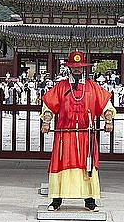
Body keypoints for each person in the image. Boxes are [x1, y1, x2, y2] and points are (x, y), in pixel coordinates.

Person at [40, 50, 115, 212]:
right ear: (69, 68)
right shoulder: (61, 86)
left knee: (87, 166)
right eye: (74, 66)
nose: (77, 69)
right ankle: (56, 200)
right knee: (61, 164)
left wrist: (108, 119)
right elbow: (49, 107)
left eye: (80, 66)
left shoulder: (92, 87)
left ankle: (90, 201)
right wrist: (46, 121)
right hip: (64, 134)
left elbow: (106, 106)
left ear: (84, 68)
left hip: (85, 135)